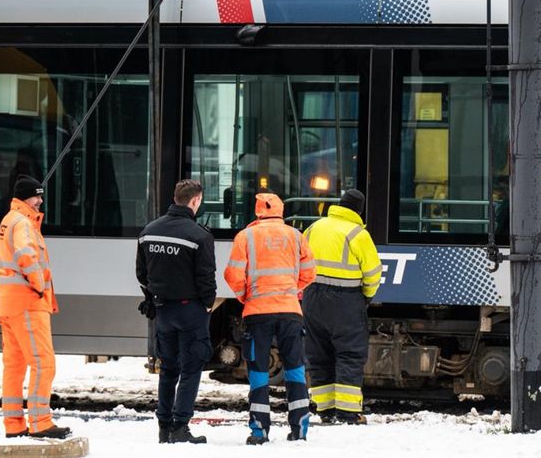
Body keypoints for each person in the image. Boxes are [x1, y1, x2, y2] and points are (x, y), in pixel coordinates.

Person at [224, 192, 316, 445]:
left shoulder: (245, 236)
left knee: (258, 371)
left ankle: (259, 431)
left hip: (257, 313)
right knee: (295, 369)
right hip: (290, 311)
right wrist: (292, 291)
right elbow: (310, 272)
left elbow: (232, 274)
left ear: (258, 210)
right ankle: (300, 429)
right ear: (281, 211)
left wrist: (247, 296)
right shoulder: (296, 236)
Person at [136, 179, 216, 444]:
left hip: (163, 311)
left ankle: (164, 427)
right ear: (195, 201)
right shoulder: (199, 235)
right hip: (191, 310)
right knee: (191, 368)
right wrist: (208, 302)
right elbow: (206, 277)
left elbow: (141, 273)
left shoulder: (149, 231)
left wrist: (153, 296)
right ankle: (180, 427)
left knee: (168, 369)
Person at [0, 175, 71, 439]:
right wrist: (39, 286)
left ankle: (14, 425)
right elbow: (26, 256)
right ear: (25, 197)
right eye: (36, 196)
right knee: (44, 363)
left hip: (8, 303)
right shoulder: (23, 223)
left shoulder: (9, 220)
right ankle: (40, 422)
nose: (40, 201)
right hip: (27, 303)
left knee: (14, 366)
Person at [302, 189, 381, 425]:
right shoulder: (357, 233)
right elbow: (373, 272)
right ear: (358, 210)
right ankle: (347, 413)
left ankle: (325, 409)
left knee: (318, 353)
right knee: (349, 353)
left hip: (312, 297)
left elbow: (301, 259)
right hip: (345, 300)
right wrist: (366, 295)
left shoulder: (314, 227)